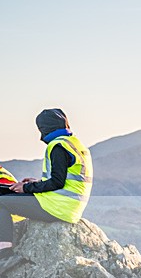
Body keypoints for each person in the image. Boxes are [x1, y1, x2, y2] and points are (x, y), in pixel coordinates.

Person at [0, 109, 93, 267]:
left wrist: (26, 188)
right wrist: (36, 182)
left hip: (57, 206)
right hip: (68, 205)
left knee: (2, 202)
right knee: (9, 196)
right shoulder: (74, 144)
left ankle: (4, 255)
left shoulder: (58, 146)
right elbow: (65, 179)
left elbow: (57, 182)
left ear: (46, 128)